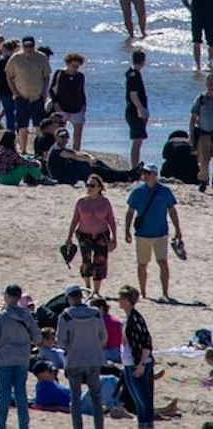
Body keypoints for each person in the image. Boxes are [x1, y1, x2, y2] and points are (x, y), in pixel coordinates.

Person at [123, 164, 181, 302]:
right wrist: (127, 230)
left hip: (161, 234)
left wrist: (178, 230)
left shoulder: (165, 191)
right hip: (142, 234)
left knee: (162, 262)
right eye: (144, 173)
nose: (145, 175)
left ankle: (165, 293)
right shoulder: (137, 192)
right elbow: (130, 212)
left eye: (148, 173)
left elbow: (172, 211)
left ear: (155, 174)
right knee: (142, 264)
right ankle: (143, 293)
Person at [55, 284, 109, 429]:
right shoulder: (96, 313)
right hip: (93, 359)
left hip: (74, 360)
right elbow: (103, 338)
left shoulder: (66, 316)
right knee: (97, 398)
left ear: (69, 298)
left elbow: (60, 342)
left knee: (76, 399)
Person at [0, 283, 39, 429]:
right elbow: (37, 337)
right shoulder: (27, 315)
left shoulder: (1, 316)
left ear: (7, 296)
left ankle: (1, 425)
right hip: (22, 358)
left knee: (4, 395)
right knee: (21, 394)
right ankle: (24, 426)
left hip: (4, 358)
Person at [67, 176, 118, 297]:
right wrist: (69, 237)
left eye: (92, 186)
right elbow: (75, 220)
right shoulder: (81, 202)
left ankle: (96, 290)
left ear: (99, 188)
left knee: (100, 261)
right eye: (88, 185)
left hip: (101, 235)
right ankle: (87, 287)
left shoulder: (105, 202)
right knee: (86, 260)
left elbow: (111, 221)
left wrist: (114, 238)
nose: (89, 188)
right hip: (84, 235)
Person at [117, 285, 154, 428]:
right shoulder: (128, 318)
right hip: (128, 362)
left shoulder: (136, 318)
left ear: (127, 300)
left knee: (144, 399)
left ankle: (148, 426)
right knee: (137, 400)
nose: (119, 300)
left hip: (138, 363)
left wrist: (141, 365)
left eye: (121, 298)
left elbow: (146, 342)